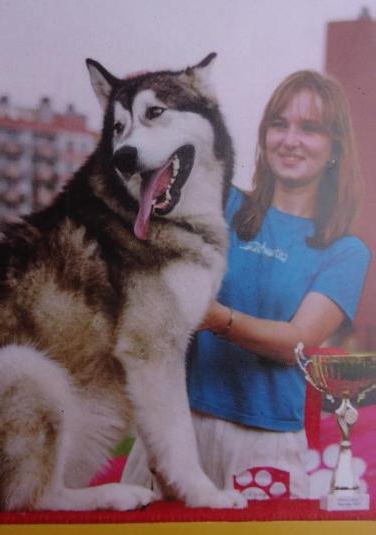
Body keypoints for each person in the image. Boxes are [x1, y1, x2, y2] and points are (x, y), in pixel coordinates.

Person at [122, 70, 371, 499]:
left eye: (309, 128)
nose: (290, 139)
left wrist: (215, 317)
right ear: (264, 134)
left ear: (335, 148)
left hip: (265, 442)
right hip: (174, 428)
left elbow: (298, 343)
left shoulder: (346, 251)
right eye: (279, 123)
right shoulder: (221, 202)